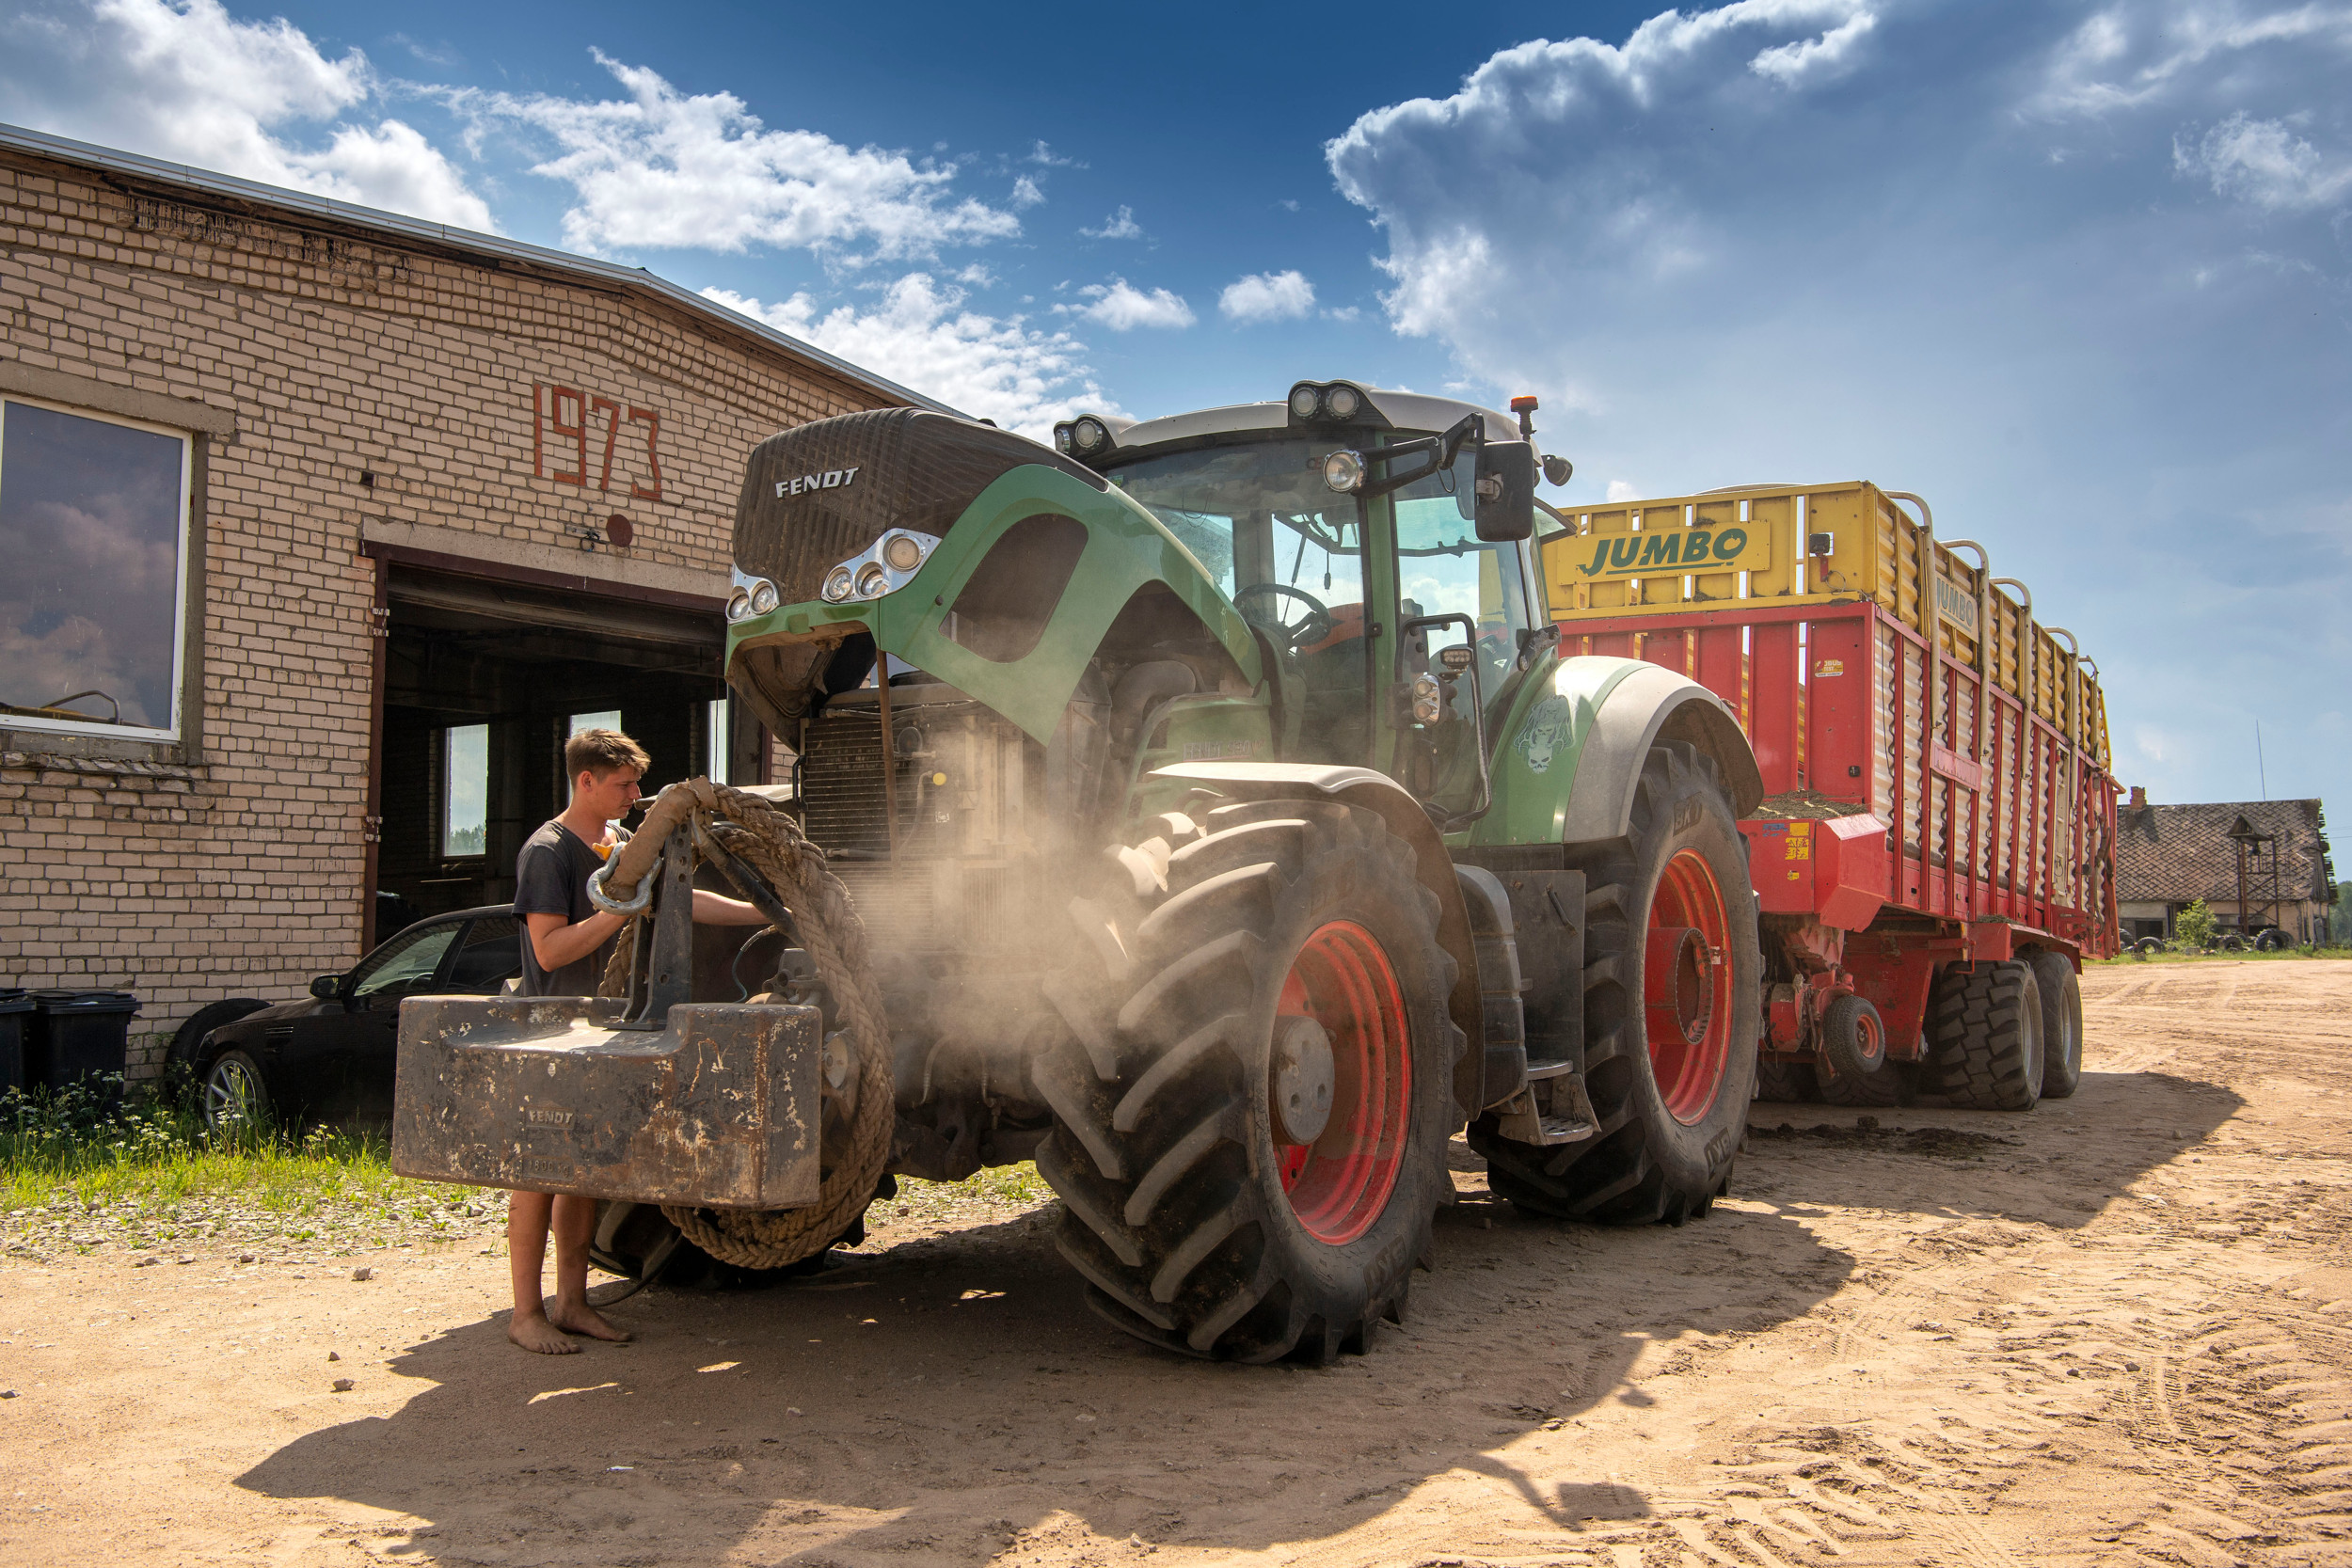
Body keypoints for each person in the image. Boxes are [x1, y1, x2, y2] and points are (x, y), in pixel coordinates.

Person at [505, 726, 768, 1354]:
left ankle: (571, 1302)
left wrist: (763, 911)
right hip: (551, 1027)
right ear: (586, 780)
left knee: (582, 1175)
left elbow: (678, 897)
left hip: (607, 1026)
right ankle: (524, 1313)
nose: (636, 793)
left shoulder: (621, 843)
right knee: (535, 1175)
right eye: (624, 783)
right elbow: (548, 947)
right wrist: (612, 915)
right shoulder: (548, 851)